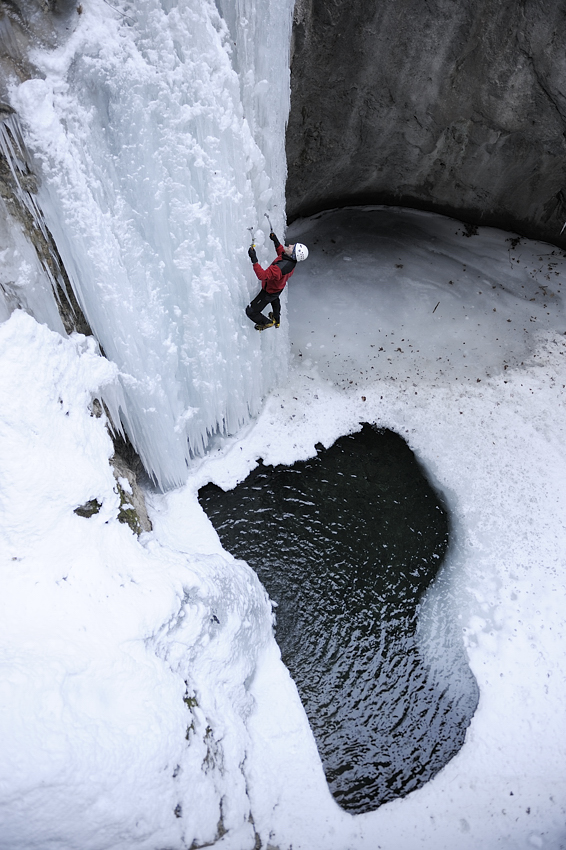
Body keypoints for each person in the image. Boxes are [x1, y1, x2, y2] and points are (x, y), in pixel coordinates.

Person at [245, 232, 309, 330]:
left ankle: (266, 323)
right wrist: (275, 241)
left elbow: (262, 276)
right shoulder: (291, 261)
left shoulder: (279, 268)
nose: (290, 245)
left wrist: (254, 259)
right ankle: (277, 319)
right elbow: (282, 253)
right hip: (277, 288)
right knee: (275, 299)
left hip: (268, 292)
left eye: (292, 247)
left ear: (293, 254)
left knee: (250, 311)